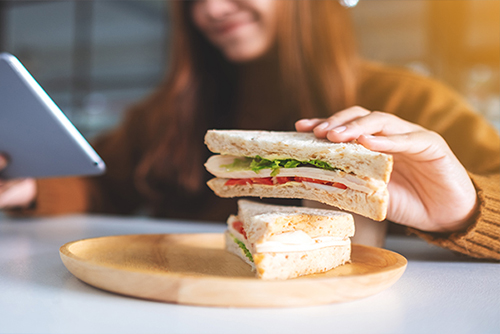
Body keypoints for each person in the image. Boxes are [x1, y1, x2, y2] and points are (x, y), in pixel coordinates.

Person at [0, 0, 499, 259]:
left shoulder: (406, 102)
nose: (211, 9)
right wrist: (30, 187)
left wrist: (465, 209)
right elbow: (108, 186)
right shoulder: (167, 112)